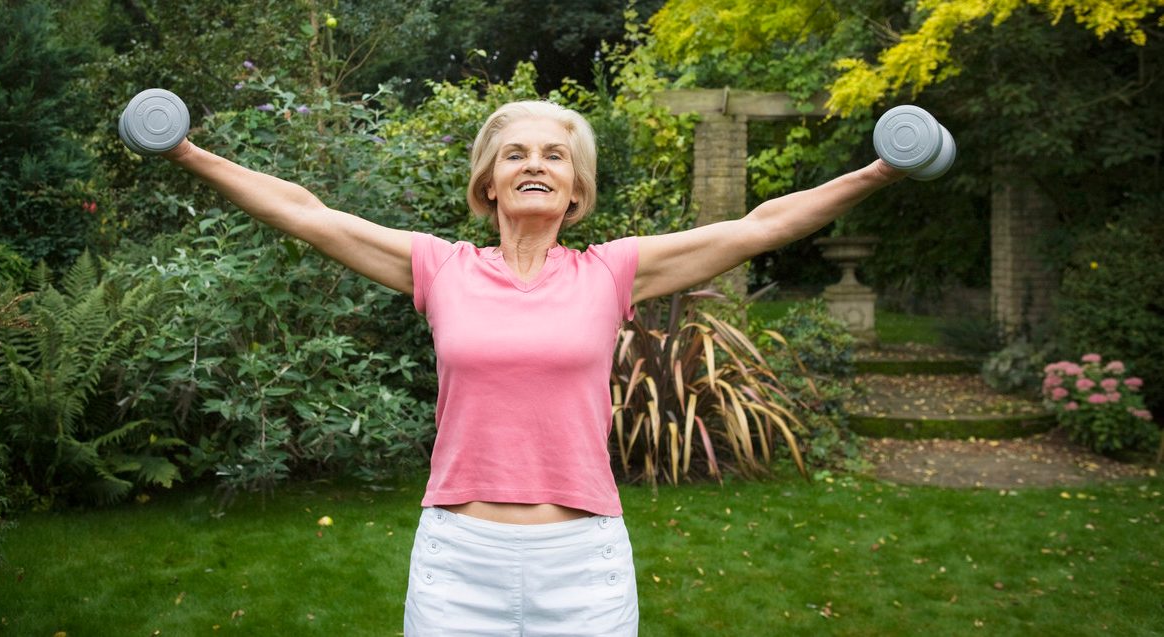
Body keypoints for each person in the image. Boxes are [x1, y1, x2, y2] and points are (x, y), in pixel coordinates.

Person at [160, 99, 904, 635]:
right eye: (516, 153)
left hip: (581, 561)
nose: (536, 164)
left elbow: (759, 226)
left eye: (555, 155)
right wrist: (187, 153)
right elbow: (307, 213)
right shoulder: (440, 267)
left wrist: (875, 171)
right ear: (488, 183)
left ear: (576, 190)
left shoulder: (612, 272)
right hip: (459, 559)